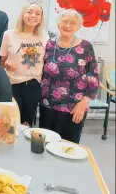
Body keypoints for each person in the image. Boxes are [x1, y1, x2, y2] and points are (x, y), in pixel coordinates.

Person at [40, 9, 99, 143]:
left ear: (78, 26)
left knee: (69, 145)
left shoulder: (85, 46)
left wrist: (84, 102)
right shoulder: (49, 44)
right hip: (47, 104)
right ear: (58, 23)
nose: (68, 26)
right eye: (65, 22)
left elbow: (93, 75)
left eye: (73, 23)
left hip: (74, 106)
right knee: (46, 142)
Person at [0, 1, 48, 126]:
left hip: (33, 84)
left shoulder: (44, 36)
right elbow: (1, 63)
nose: (33, 15)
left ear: (41, 18)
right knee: (12, 123)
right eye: (29, 12)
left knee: (27, 123)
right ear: (23, 14)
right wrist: (7, 65)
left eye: (38, 13)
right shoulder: (9, 35)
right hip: (12, 84)